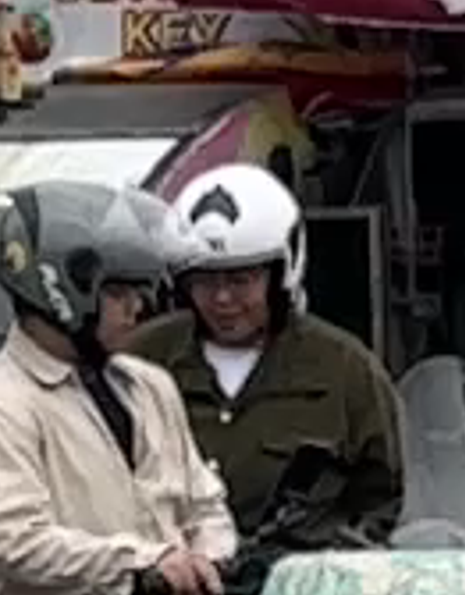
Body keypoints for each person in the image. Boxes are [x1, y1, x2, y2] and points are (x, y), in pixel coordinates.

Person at [0, 174, 236, 595]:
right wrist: (146, 569)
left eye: (138, 290)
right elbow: (15, 544)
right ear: (61, 290)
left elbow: (203, 503)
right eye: (117, 292)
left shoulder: (148, 386)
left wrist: (205, 579)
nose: (138, 308)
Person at [157, 162, 406, 552]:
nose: (222, 299)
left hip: (300, 581)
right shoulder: (144, 360)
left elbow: (385, 499)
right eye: (204, 280)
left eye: (241, 280)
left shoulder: (346, 370)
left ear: (280, 275)